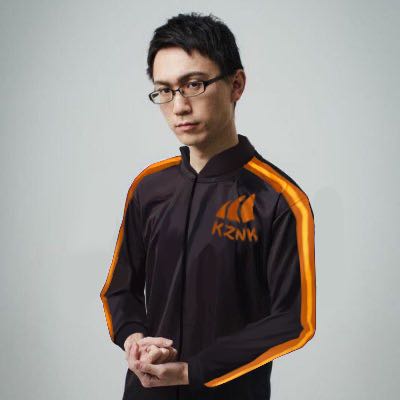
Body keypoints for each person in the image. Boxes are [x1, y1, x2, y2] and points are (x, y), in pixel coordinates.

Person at [100, 12, 316, 400]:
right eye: (164, 90)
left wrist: (192, 371)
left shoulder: (280, 199)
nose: (179, 106)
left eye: (193, 84)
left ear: (236, 85)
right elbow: (120, 289)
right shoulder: (149, 187)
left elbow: (293, 320)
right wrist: (134, 340)